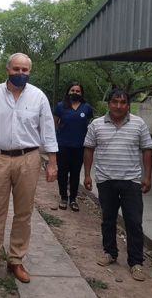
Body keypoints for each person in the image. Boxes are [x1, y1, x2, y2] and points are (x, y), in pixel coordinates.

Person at [0, 53, 58, 286]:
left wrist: (52, 162)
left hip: (28, 159)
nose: (21, 73)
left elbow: (48, 130)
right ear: (8, 69)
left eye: (25, 70)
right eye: (17, 69)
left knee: (23, 213)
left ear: (30, 71)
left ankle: (16, 260)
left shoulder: (38, 96)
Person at [83, 89, 152, 282]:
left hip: (131, 182)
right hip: (106, 180)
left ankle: (136, 262)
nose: (119, 106)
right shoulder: (96, 124)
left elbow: (147, 150)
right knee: (108, 219)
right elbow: (89, 149)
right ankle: (110, 253)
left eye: (123, 103)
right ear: (109, 104)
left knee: (134, 222)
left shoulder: (139, 124)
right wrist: (87, 175)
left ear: (128, 105)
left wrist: (147, 177)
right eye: (115, 102)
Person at [53, 82, 93, 211]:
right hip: (63, 145)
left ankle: (73, 199)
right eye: (72, 90)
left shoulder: (86, 108)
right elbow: (54, 124)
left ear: (81, 94)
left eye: (78, 91)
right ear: (68, 92)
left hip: (79, 147)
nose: (75, 93)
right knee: (63, 173)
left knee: (75, 174)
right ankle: (64, 197)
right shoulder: (60, 106)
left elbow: (89, 126)